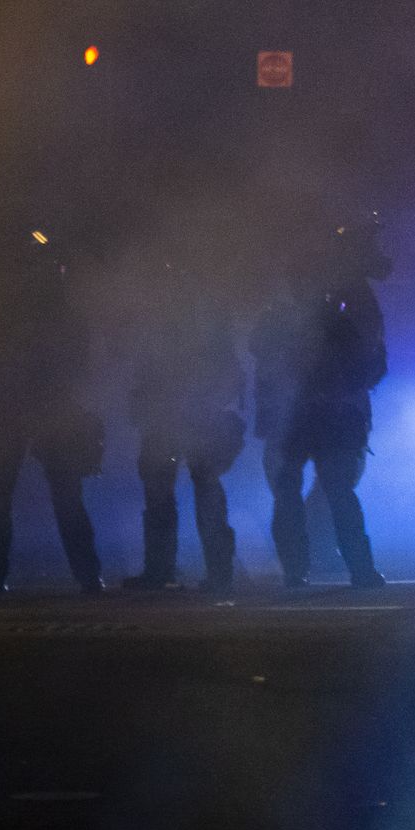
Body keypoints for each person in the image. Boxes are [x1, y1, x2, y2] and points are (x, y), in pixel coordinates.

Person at [252, 226, 390, 589]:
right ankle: (310, 569)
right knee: (304, 494)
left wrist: (343, 393)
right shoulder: (283, 321)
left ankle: (344, 568)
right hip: (300, 417)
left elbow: (372, 363)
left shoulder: (336, 320)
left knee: (332, 493)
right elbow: (262, 360)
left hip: (324, 416)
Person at [0, 230, 104, 594]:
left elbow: (74, 359)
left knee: (14, 496)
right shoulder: (44, 311)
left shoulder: (24, 312)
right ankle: (86, 575)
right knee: (50, 496)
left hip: (33, 408)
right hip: (27, 408)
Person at [122, 264, 246, 594]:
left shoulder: (199, 321)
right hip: (172, 418)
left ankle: (202, 570)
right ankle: (189, 570)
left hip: (191, 417)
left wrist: (205, 404)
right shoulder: (177, 321)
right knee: (175, 493)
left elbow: (229, 371)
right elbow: (146, 371)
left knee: (192, 492)